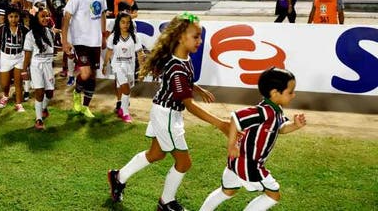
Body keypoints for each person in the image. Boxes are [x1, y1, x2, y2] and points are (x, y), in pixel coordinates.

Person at [107, 12, 229, 210]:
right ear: (181, 37)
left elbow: (184, 81)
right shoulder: (177, 67)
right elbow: (189, 104)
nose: (200, 40)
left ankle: (118, 177)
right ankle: (166, 202)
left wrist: (197, 88)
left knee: (156, 154)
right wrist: (221, 124)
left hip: (163, 111)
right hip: (167, 116)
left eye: (200, 36)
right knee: (184, 163)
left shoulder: (182, 58)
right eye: (196, 36)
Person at [200, 67, 307, 211]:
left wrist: (295, 125)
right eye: (290, 92)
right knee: (273, 195)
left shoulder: (276, 110)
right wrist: (231, 145)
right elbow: (236, 118)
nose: (293, 95)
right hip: (249, 165)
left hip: (236, 162)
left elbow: (281, 128)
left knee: (227, 191)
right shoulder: (263, 112)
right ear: (275, 93)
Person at [61, 0, 107, 118]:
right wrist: (64, 41)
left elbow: (102, 15)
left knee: (93, 75)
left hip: (96, 41)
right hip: (80, 40)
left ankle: (86, 106)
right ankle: (76, 92)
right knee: (85, 74)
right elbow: (66, 17)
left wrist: (103, 36)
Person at [102, 12, 145, 123]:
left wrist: (142, 69)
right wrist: (105, 64)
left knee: (127, 89)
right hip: (118, 64)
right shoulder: (113, 36)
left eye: (128, 22)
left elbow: (140, 53)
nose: (126, 25)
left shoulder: (134, 37)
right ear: (118, 23)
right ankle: (125, 113)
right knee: (125, 89)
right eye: (123, 22)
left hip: (130, 65)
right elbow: (109, 52)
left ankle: (121, 108)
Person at [22, 4, 56, 130]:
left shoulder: (50, 33)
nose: (46, 18)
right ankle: (39, 119)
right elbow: (27, 56)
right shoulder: (30, 35)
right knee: (39, 92)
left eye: (47, 16)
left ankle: (43, 108)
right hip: (36, 66)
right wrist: (24, 71)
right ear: (36, 17)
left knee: (50, 93)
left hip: (48, 65)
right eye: (42, 16)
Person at [0, 7, 29, 113]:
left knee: (18, 82)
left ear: (19, 17)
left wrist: (27, 62)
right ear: (7, 17)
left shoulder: (24, 30)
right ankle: (5, 96)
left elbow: (29, 47)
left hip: (19, 57)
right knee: (5, 84)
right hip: (5, 57)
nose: (13, 19)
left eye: (16, 16)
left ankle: (18, 104)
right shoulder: (2, 29)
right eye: (11, 17)